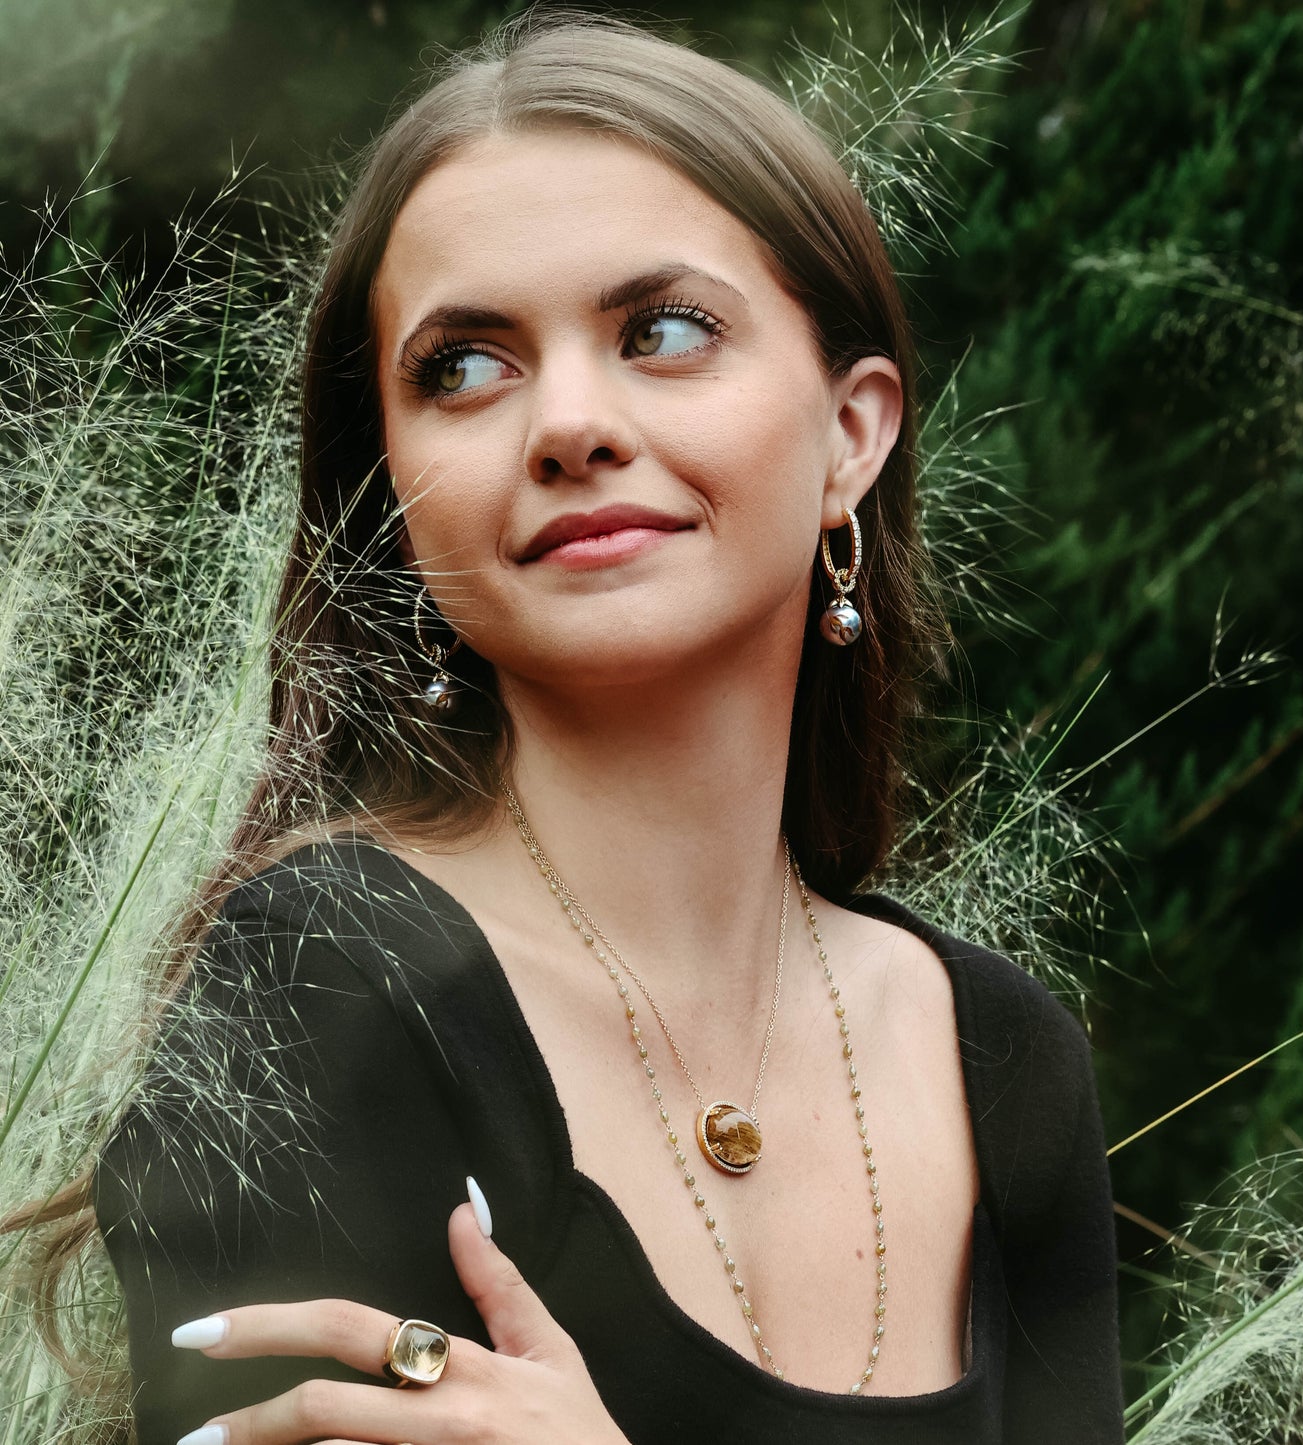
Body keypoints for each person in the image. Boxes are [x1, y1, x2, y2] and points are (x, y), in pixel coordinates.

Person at [89, 13, 1124, 1444]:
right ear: (393, 489)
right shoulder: (327, 991)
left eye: (665, 331)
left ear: (852, 433)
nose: (568, 421)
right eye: (462, 366)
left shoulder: (998, 1056)